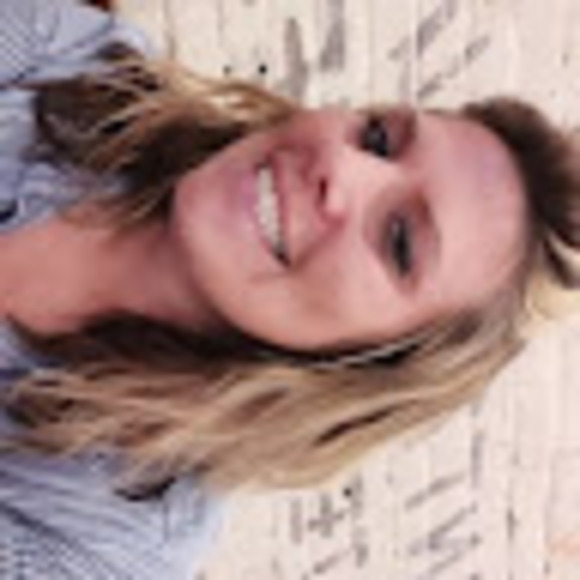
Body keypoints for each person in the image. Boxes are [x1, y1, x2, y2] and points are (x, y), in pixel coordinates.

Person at [1, 0, 579, 578]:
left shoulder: (108, 545)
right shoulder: (75, 66)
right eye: (378, 139)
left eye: (399, 241)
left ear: (377, 362)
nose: (341, 170)